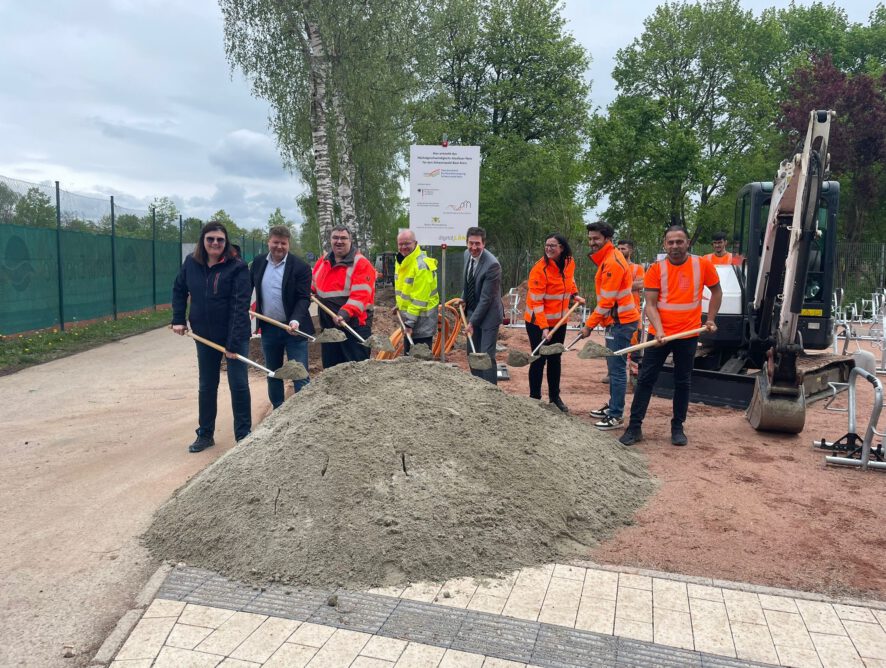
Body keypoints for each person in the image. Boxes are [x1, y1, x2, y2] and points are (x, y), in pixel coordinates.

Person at [619, 225, 723, 447]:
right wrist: (660, 330)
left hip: (689, 333)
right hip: (660, 335)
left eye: (679, 241)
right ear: (665, 244)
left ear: (687, 243)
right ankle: (634, 427)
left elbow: (716, 291)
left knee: (682, 381)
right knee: (646, 380)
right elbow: (650, 305)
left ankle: (678, 428)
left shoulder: (702, 265)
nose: (675, 246)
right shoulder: (657, 270)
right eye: (671, 242)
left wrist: (711, 319)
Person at [172, 221, 252, 452]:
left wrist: (233, 343)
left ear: (225, 242)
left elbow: (240, 306)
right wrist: (179, 318)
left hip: (233, 335)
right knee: (207, 385)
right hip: (204, 336)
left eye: (220, 239)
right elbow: (179, 289)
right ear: (203, 241)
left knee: (238, 385)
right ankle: (205, 434)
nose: (215, 243)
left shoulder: (237, 267)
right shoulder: (191, 263)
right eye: (210, 239)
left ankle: (244, 436)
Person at [581, 222, 640, 430]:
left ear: (607, 239)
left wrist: (588, 325)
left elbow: (606, 301)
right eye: (590, 239)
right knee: (613, 366)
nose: (592, 243)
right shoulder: (607, 258)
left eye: (596, 239)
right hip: (615, 321)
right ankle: (613, 406)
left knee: (617, 369)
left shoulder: (613, 262)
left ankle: (616, 415)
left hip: (621, 322)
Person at [250, 225, 314, 409]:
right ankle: (278, 409)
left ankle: (303, 413)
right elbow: (248, 289)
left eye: (283, 243)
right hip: (269, 329)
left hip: (294, 329)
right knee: (273, 372)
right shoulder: (258, 263)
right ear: (268, 241)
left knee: (299, 373)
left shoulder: (300, 267)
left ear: (289, 244)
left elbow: (303, 298)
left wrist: (295, 320)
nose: (279, 247)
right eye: (275, 242)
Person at [524, 234, 585, 412]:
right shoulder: (539, 270)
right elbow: (536, 302)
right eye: (547, 245)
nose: (549, 249)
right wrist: (544, 327)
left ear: (562, 248)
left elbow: (569, 280)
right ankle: (534, 398)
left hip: (560, 321)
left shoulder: (569, 262)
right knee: (538, 358)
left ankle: (554, 397)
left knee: (555, 358)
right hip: (537, 322)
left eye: (553, 246)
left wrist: (574, 295)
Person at [312, 225, 376, 368]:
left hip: (353, 326)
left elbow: (361, 295)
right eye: (335, 237)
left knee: (355, 372)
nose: (339, 241)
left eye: (343, 238)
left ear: (350, 241)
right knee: (331, 371)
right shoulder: (322, 262)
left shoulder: (361, 263)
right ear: (330, 240)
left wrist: (344, 313)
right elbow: (313, 285)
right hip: (329, 328)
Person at [460, 226, 503, 384]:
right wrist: (463, 298)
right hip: (473, 311)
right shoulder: (466, 255)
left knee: (485, 356)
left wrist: (471, 323)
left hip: (489, 316)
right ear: (467, 243)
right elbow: (468, 282)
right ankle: (477, 388)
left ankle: (491, 392)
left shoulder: (492, 265)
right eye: (471, 243)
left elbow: (486, 299)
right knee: (473, 353)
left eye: (477, 244)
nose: (474, 247)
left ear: (484, 244)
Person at [394, 229, 439, 354]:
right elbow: (405, 291)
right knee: (409, 362)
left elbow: (420, 299)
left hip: (422, 323)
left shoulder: (422, 265)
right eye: (400, 244)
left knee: (420, 363)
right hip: (410, 320)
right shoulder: (403, 261)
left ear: (415, 243)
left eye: (407, 243)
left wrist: (409, 324)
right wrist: (399, 305)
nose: (403, 247)